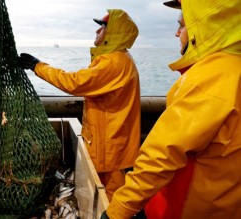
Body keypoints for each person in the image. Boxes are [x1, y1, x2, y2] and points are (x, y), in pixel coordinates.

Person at [103, 0, 241, 218]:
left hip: (181, 210)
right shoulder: (234, 70)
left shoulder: (210, 77)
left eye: (183, 26)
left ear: (205, 27)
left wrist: (117, 210)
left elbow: (162, 154)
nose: (178, 34)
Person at [18, 9, 141, 202]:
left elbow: (74, 82)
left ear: (113, 33)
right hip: (112, 142)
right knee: (109, 194)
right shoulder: (119, 59)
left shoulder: (113, 62)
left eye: (101, 28)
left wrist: (37, 66)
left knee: (111, 198)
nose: (96, 32)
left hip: (110, 146)